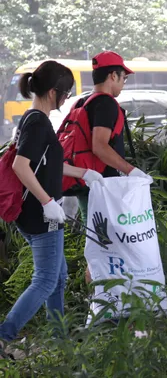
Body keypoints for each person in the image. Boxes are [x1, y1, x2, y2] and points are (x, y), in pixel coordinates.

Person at [0, 61, 104, 357]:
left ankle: (59, 340)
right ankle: (4, 335)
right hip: (41, 214)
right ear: (53, 91)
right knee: (46, 279)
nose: (67, 98)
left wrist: (83, 173)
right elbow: (21, 167)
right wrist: (47, 201)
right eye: (66, 92)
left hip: (39, 212)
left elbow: (47, 163)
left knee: (57, 277)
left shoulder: (34, 120)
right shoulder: (37, 122)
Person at [76, 51, 151, 224]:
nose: (123, 84)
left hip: (84, 180)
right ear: (113, 76)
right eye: (123, 78)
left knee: (93, 235)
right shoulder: (106, 103)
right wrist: (130, 170)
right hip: (102, 184)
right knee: (106, 239)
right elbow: (99, 146)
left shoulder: (82, 102)